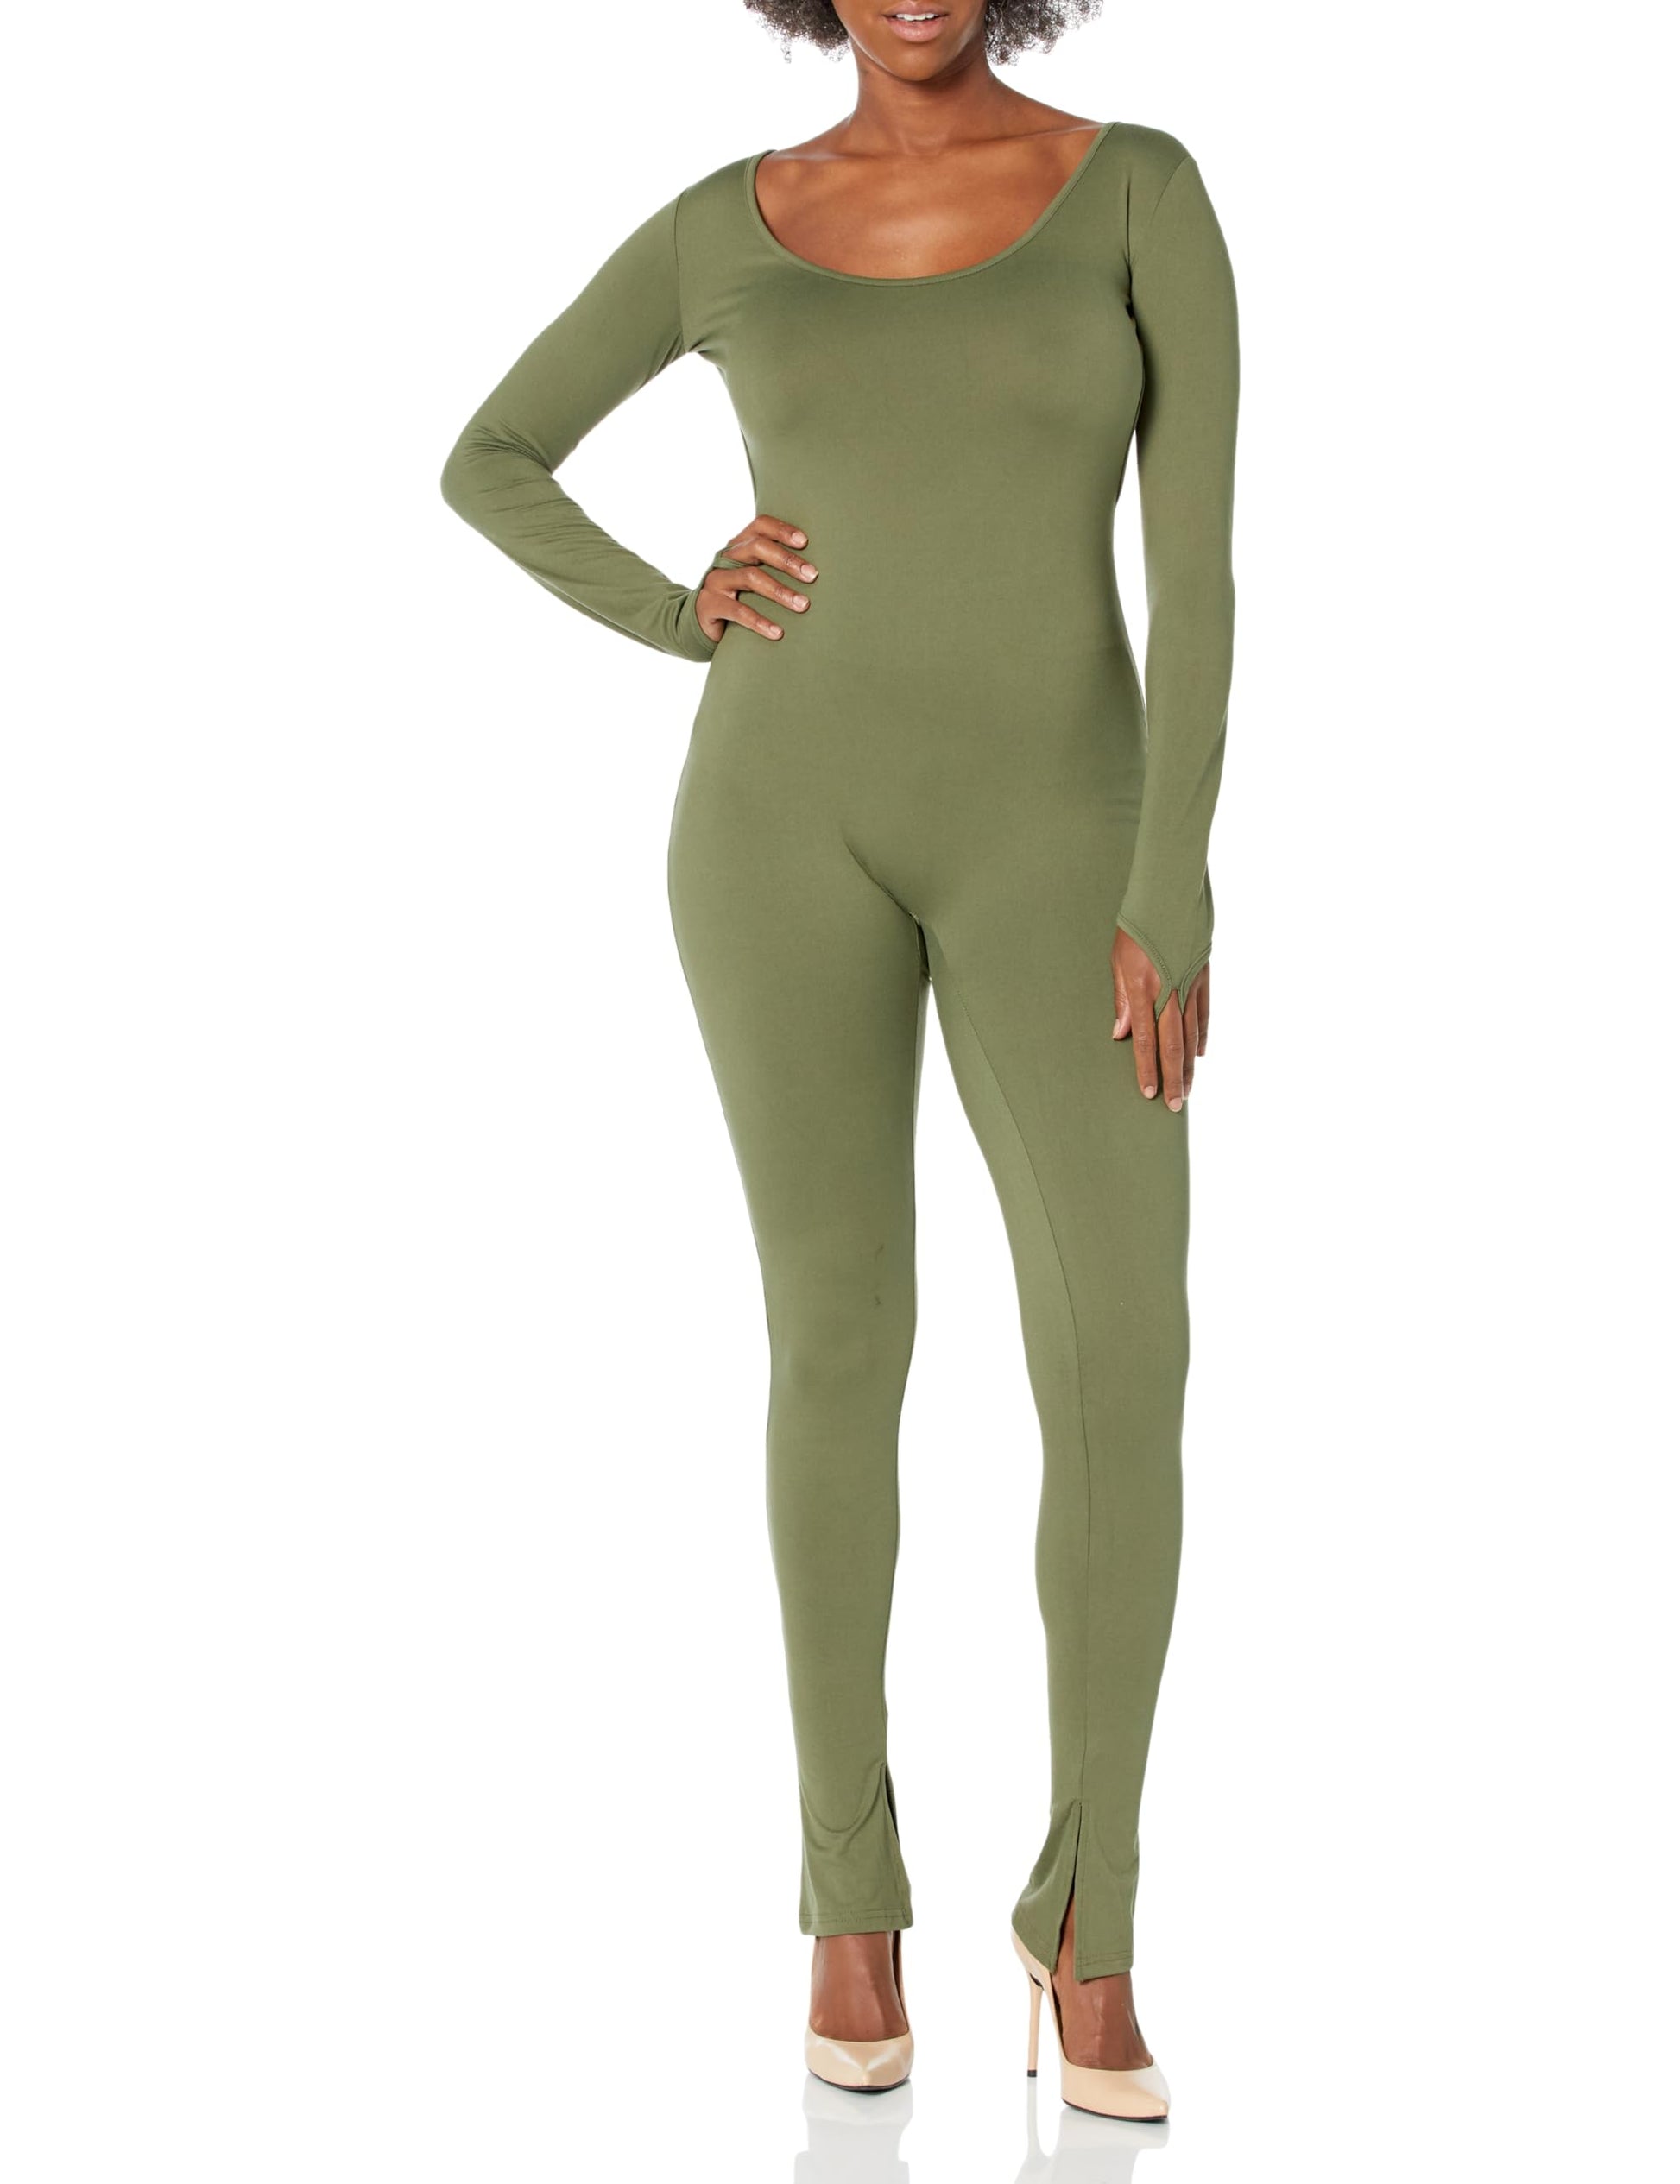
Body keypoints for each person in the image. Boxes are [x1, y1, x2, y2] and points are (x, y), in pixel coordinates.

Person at [439, 0, 1238, 2123]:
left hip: (1066, 840)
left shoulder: (1137, 193)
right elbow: (490, 456)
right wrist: (673, 608)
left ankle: (1090, 1920)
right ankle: (848, 1902)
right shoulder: (729, 224)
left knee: (1122, 1353)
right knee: (834, 1343)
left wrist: (1170, 874)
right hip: (774, 826)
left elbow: (1197, 566)